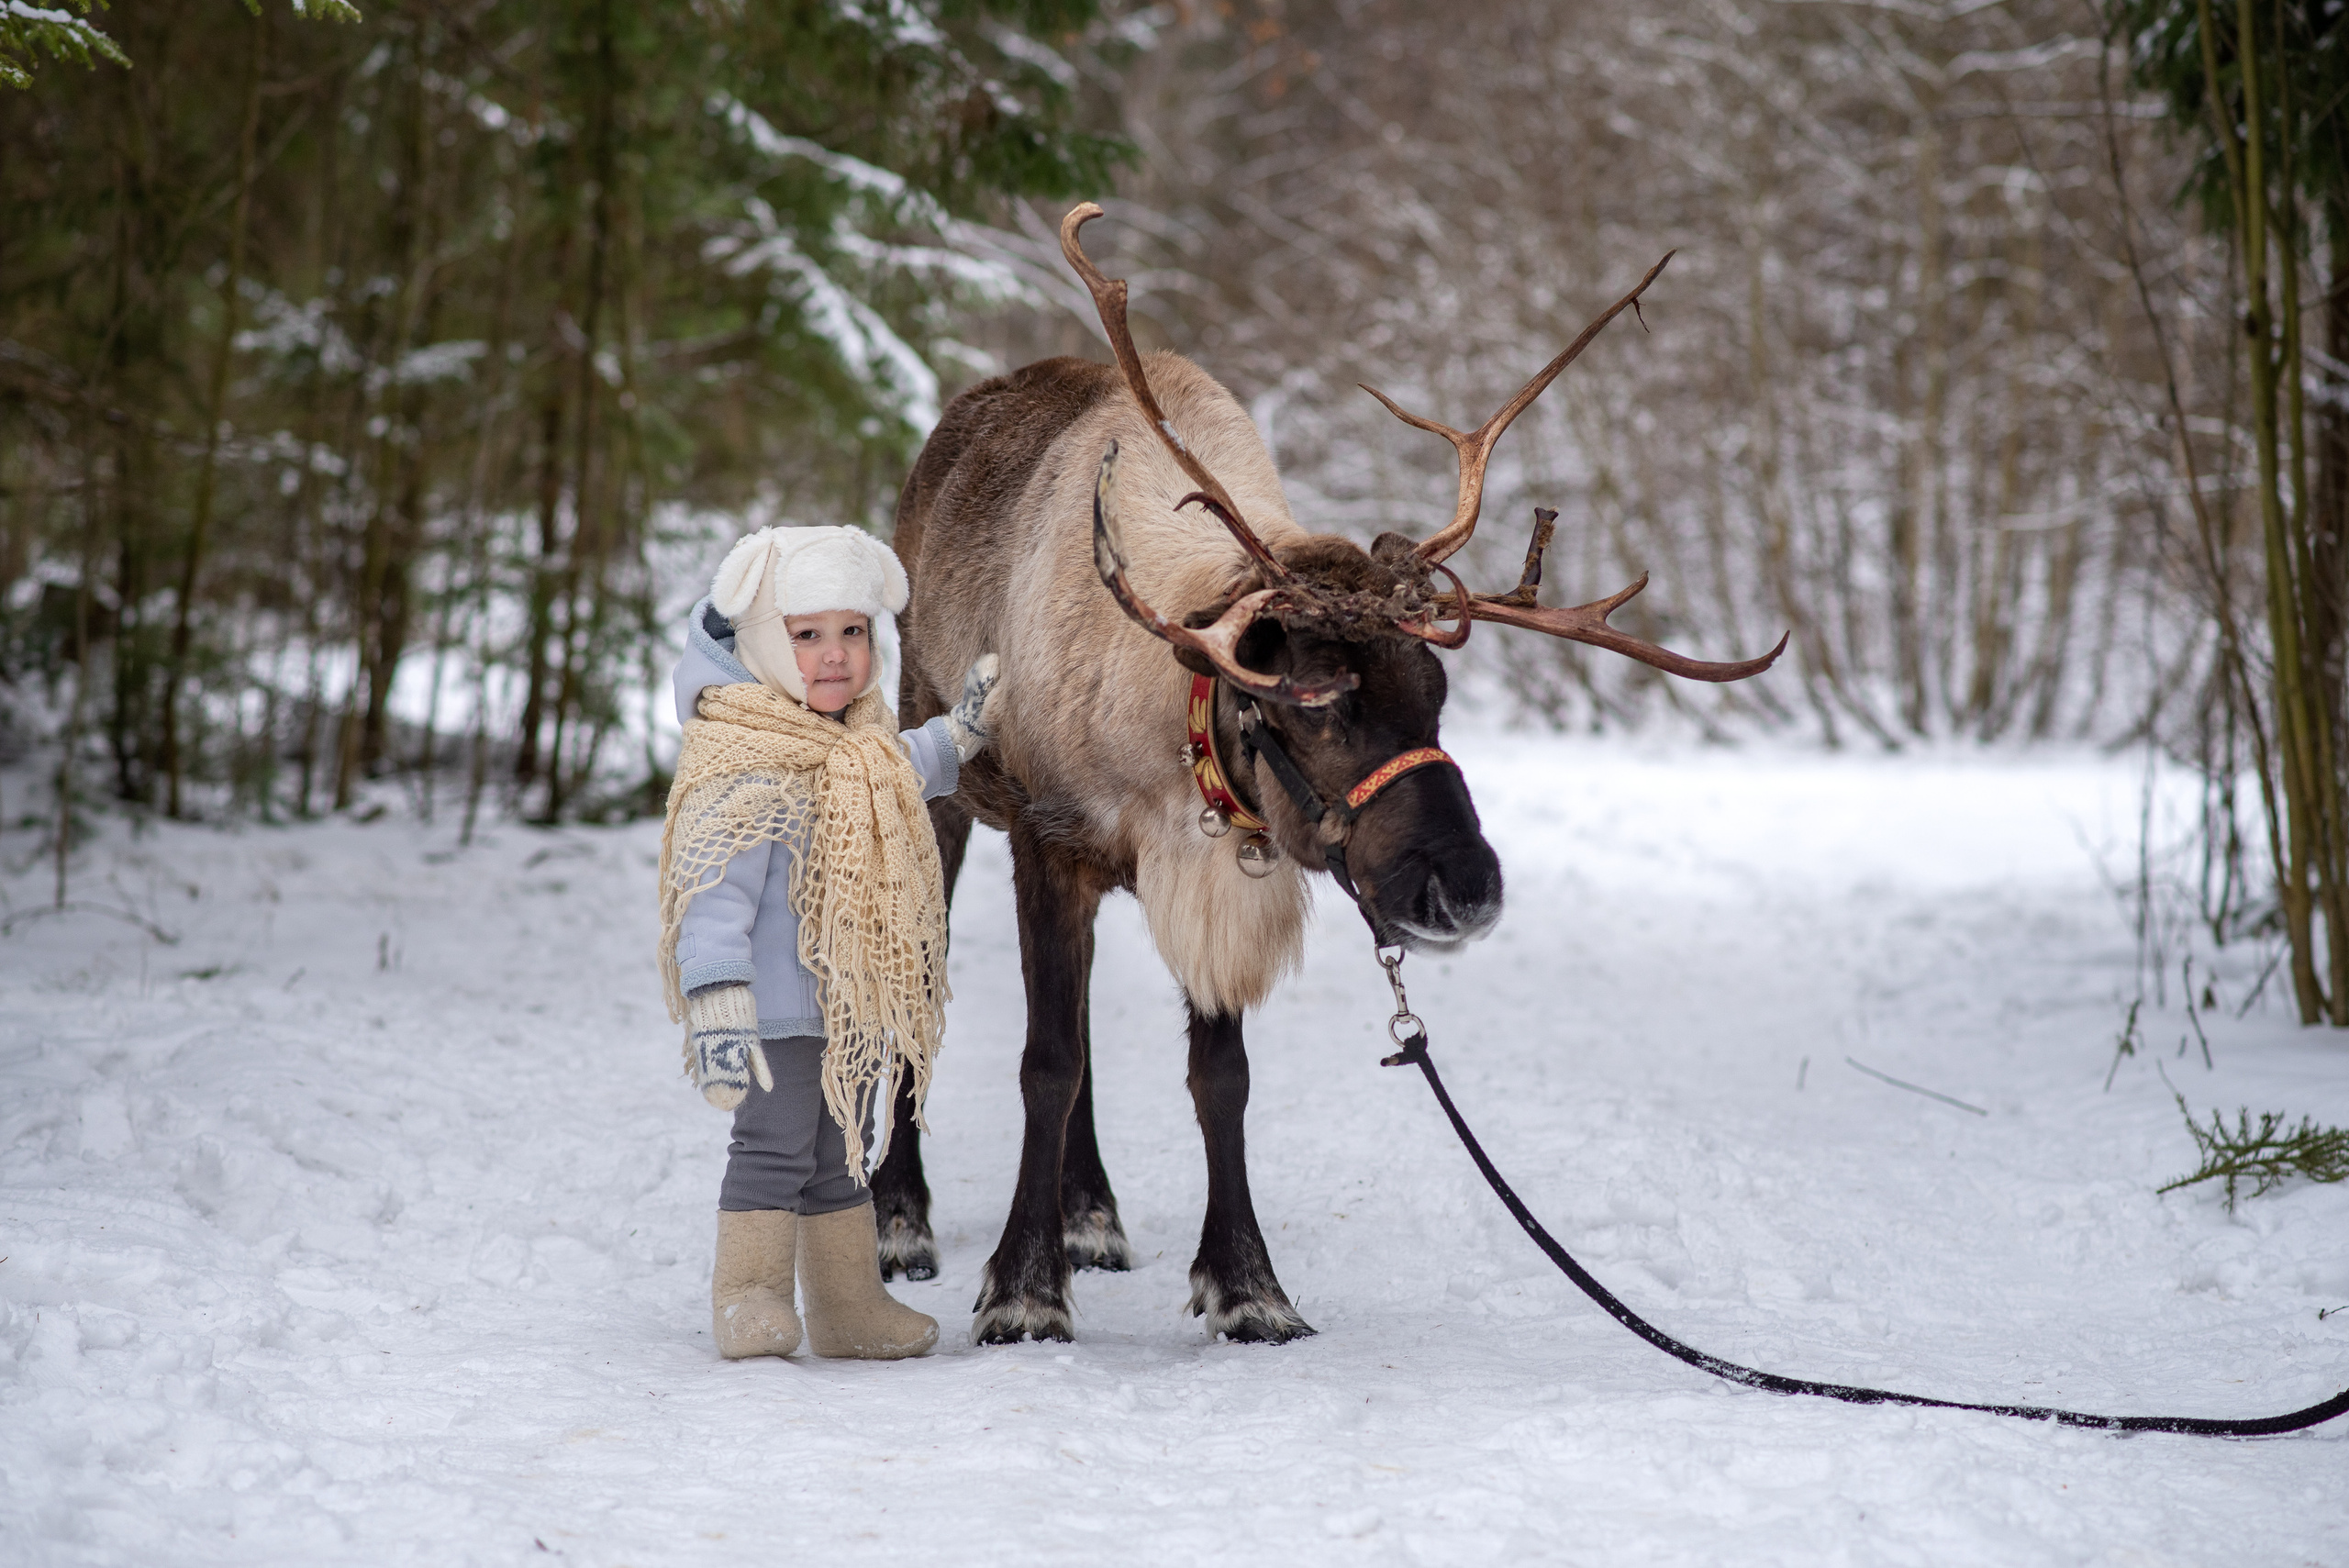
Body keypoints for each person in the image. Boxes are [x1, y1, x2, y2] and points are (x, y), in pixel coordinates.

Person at [656, 524, 996, 1361]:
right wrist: (718, 997)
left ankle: (848, 1306)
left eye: (854, 630)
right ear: (763, 642)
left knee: (843, 1153)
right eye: (807, 635)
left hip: (848, 1004)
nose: (835, 654)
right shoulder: (744, 759)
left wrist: (961, 733)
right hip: (772, 1011)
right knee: (773, 1149)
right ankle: (750, 1294)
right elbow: (711, 887)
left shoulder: (858, 744)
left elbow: (904, 766)